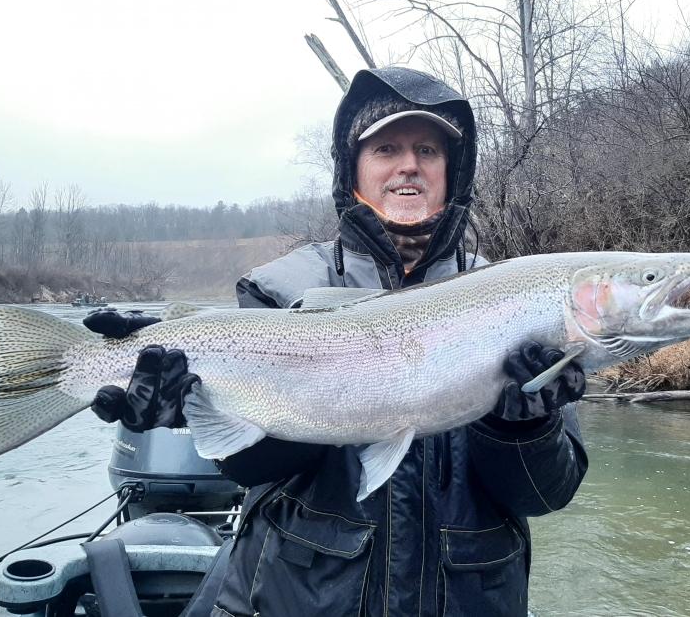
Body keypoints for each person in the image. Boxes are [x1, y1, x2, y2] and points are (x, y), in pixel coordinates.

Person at [87, 67, 589, 616]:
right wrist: (188, 407)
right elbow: (249, 470)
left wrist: (523, 427)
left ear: (453, 171)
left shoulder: (519, 295)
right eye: (386, 148)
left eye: (428, 149)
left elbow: (545, 496)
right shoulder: (282, 288)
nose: (409, 166)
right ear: (353, 170)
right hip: (305, 597)